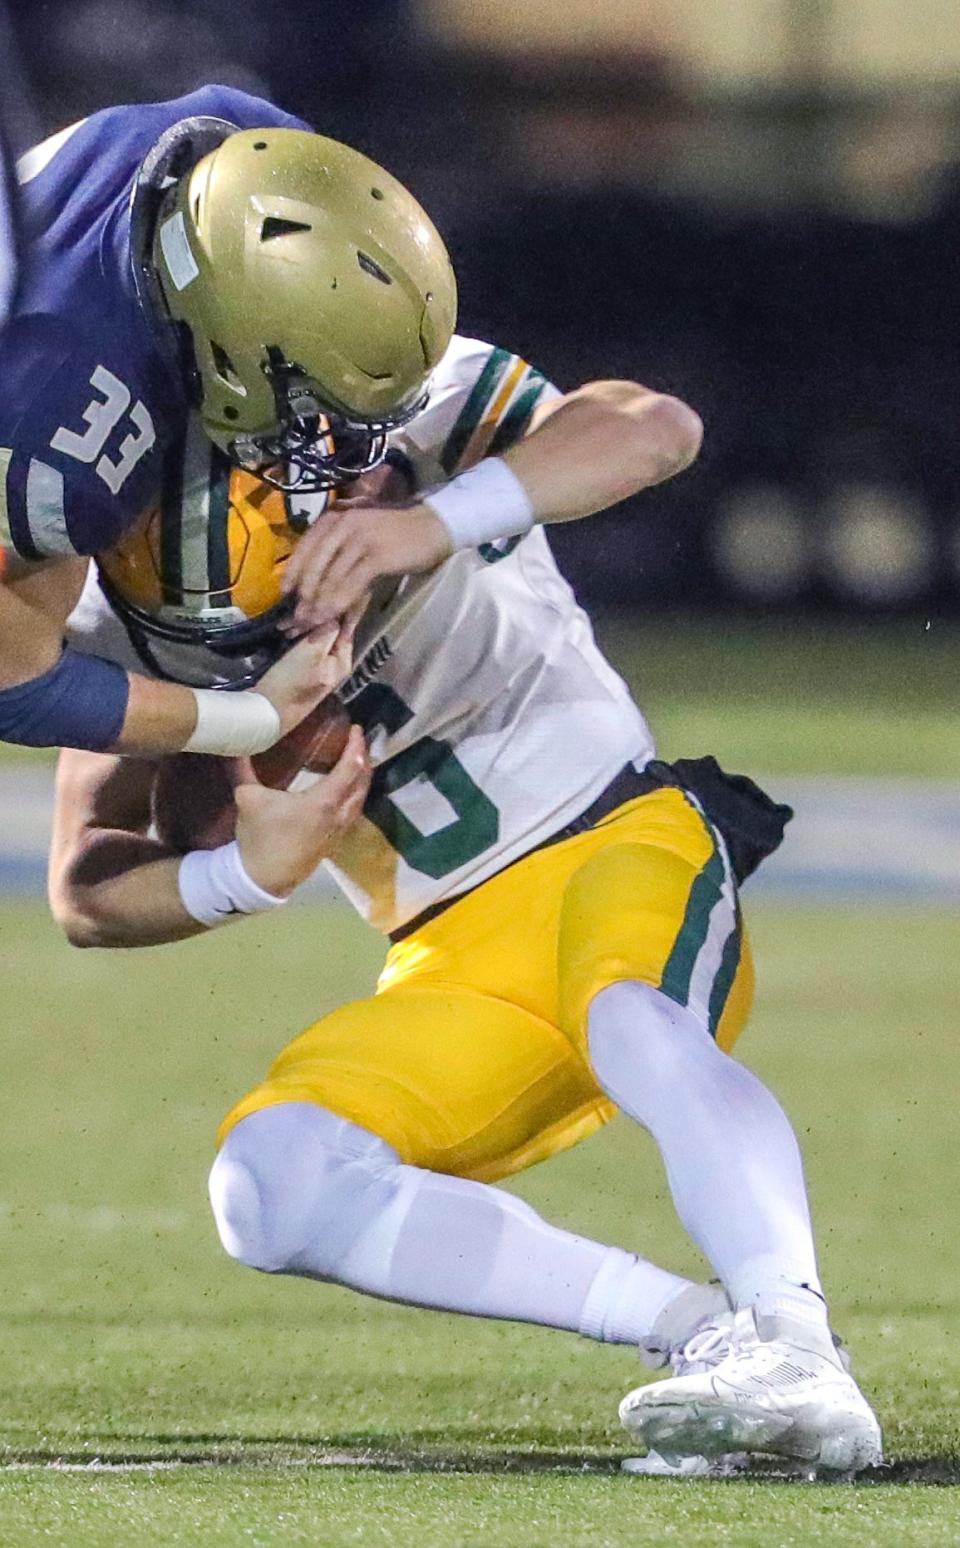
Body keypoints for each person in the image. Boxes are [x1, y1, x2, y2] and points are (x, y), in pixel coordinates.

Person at [48, 319, 882, 1476]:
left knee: (631, 1009)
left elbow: (654, 430)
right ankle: (712, 1341)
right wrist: (244, 872)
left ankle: (794, 1334)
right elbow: (86, 882)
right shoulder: (107, 582)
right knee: (270, 1184)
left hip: (613, 835)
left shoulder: (388, 397)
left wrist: (427, 522)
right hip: (450, 953)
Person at [0, 84, 463, 759]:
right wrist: (252, 719)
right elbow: (17, 682)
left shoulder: (241, 144)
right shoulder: (58, 442)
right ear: (228, 341)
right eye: (306, 394)